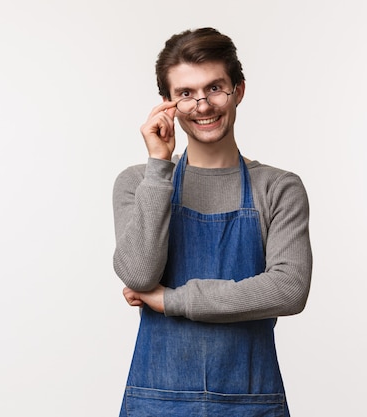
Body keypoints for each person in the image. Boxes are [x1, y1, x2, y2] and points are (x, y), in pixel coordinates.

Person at [112, 27, 313, 417]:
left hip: (250, 405)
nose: (202, 106)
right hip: (157, 404)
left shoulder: (278, 188)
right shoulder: (138, 183)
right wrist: (158, 166)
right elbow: (138, 274)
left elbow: (288, 289)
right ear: (168, 104)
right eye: (185, 94)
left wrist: (170, 300)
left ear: (238, 90)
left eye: (215, 88)